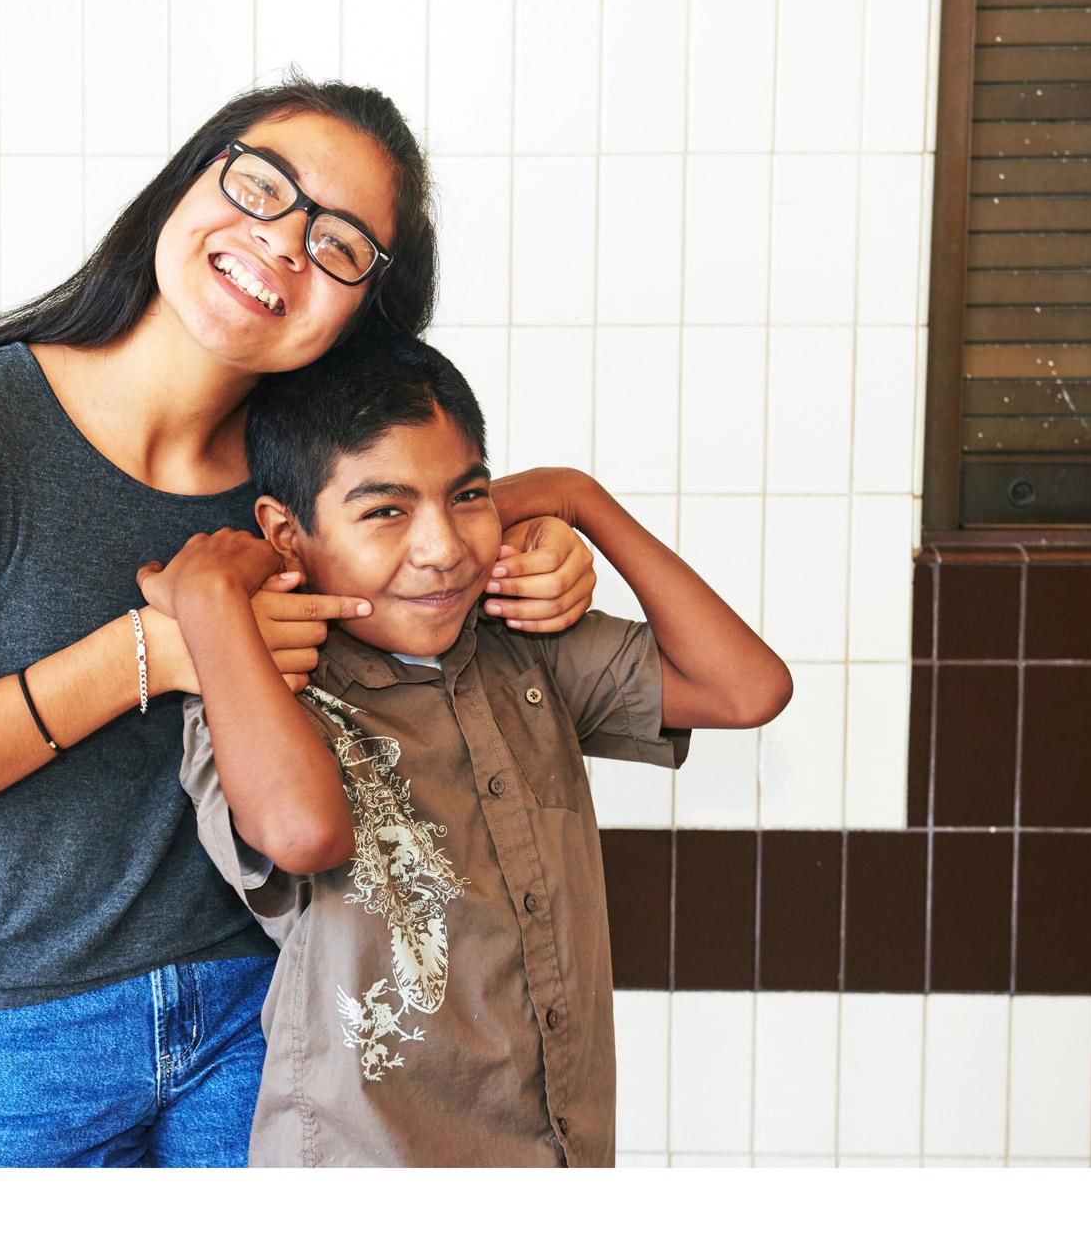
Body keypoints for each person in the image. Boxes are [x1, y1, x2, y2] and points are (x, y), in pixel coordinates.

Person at [0, 76, 599, 1168]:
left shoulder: (308, 486)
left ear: (365, 308)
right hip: (12, 1038)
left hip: (268, 1017)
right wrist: (149, 652)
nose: (283, 241)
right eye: (262, 186)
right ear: (188, 181)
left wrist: (543, 535)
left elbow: (435, 550)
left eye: (339, 244)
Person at [165, 332, 793, 1166]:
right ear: (286, 531)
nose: (443, 548)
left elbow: (748, 688)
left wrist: (577, 496)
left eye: (467, 496)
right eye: (385, 511)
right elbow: (303, 833)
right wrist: (210, 595)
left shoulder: (518, 644)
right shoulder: (262, 683)